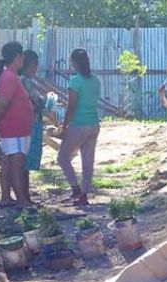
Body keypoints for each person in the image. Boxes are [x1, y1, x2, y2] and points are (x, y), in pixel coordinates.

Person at [0, 41, 35, 208]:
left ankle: (11, 198)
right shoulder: (9, 76)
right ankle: (21, 201)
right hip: (13, 130)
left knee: (13, 164)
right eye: (22, 56)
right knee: (16, 165)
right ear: (18, 56)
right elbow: (3, 103)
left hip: (18, 129)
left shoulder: (11, 76)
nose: (23, 59)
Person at [58, 48, 101, 207]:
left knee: (62, 157)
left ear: (74, 63)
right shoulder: (95, 80)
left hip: (79, 124)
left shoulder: (75, 81)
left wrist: (64, 126)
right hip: (94, 124)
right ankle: (84, 194)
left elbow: (72, 106)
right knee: (88, 161)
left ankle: (75, 188)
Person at [22, 50, 46, 186]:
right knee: (24, 165)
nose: (36, 68)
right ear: (31, 64)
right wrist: (45, 101)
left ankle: (25, 196)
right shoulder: (25, 81)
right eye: (36, 64)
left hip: (28, 124)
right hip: (30, 125)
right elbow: (36, 102)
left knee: (24, 165)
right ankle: (24, 197)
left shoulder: (24, 80)